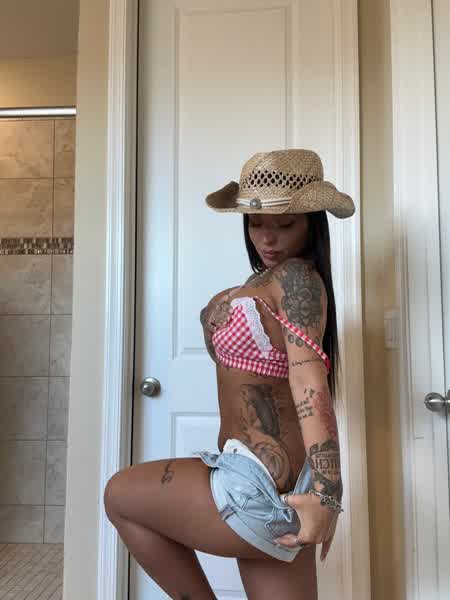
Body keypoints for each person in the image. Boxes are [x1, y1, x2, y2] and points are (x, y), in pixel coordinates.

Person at [104, 149, 355, 599]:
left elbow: (309, 383)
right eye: (256, 224)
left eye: (285, 225)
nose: (268, 238)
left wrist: (328, 494)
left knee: (120, 496)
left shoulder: (297, 278)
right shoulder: (269, 282)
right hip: (276, 490)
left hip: (255, 486)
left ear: (312, 224)